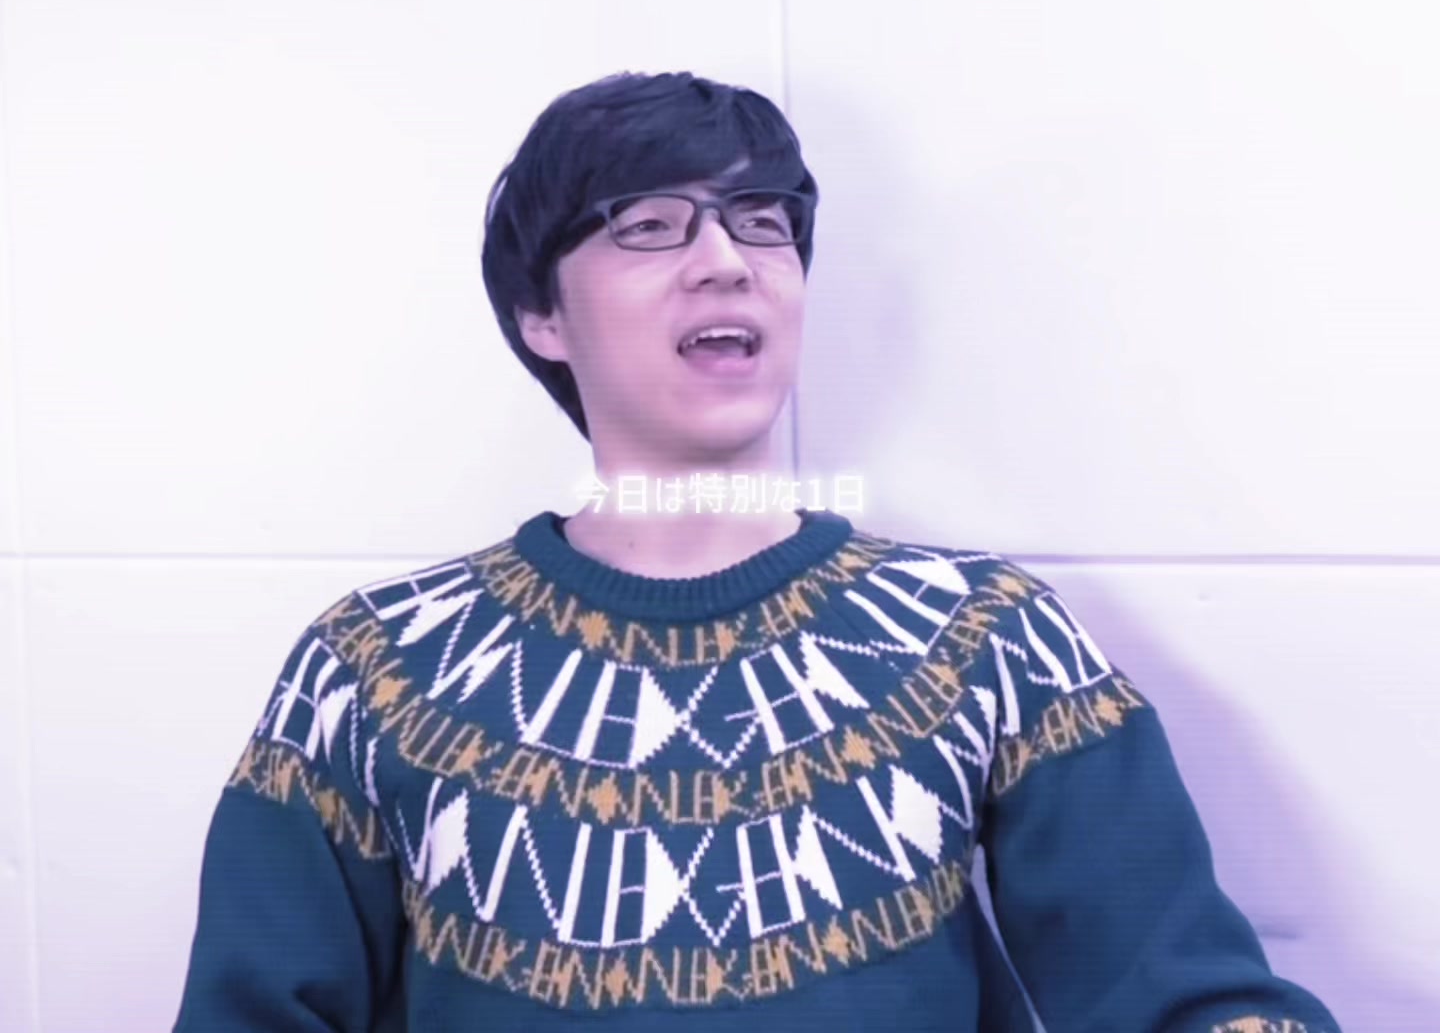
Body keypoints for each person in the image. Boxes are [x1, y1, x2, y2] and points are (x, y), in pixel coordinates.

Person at [173, 71, 1340, 1032]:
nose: (727, 259)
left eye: (763, 223)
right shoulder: (375, 670)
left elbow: (1178, 995)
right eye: (648, 226)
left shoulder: (986, 637)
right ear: (542, 317)